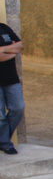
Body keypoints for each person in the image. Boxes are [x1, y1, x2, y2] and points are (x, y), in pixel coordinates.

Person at [0, 20, 24, 155]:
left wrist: (3, 50)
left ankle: (2, 139)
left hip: (11, 78)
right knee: (0, 115)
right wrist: (10, 49)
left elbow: (20, 46)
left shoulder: (4, 28)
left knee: (18, 107)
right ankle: (5, 144)